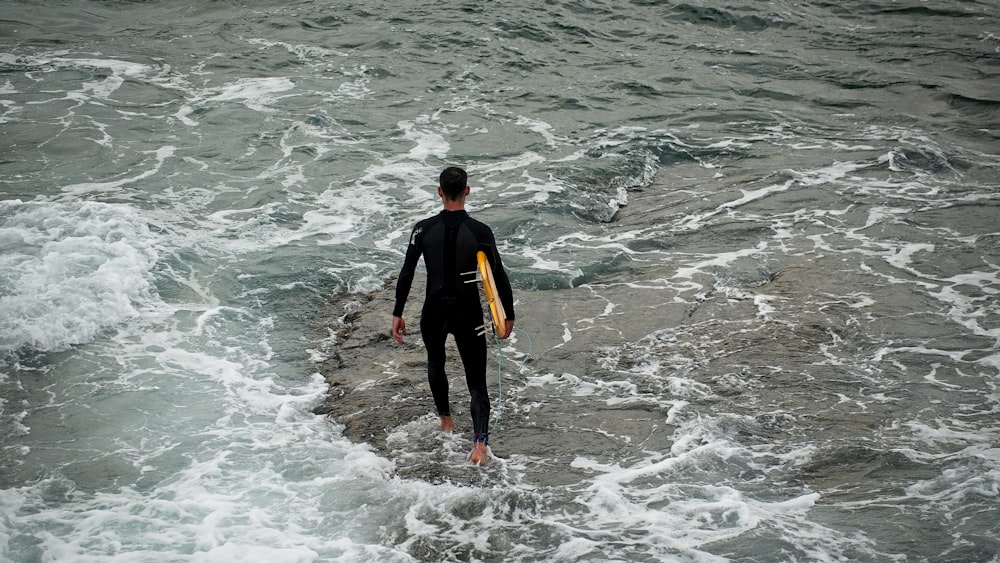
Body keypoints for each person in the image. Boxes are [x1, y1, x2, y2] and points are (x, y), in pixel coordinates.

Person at [391, 166, 516, 466]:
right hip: (468, 312)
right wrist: (508, 315)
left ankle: (446, 422)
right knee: (477, 382)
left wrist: (398, 312)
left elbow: (407, 273)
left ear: (439, 192)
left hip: (433, 311)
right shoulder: (480, 232)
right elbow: (498, 276)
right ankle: (479, 447)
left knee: (436, 364)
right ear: (467, 191)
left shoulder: (422, 229)